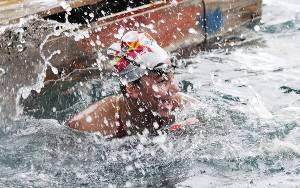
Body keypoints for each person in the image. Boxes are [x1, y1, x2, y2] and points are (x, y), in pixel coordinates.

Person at [67, 31, 199, 138]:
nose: (175, 89)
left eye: (172, 77)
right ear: (132, 88)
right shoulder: (90, 125)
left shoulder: (185, 107)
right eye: (162, 81)